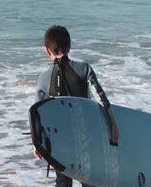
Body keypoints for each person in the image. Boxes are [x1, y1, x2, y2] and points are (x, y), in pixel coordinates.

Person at [33, 25, 120, 187]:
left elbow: (36, 113)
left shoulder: (44, 78)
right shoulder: (83, 69)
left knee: (63, 180)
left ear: (47, 50)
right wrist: (113, 125)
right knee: (89, 179)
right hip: (85, 136)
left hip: (59, 140)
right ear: (69, 47)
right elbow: (101, 99)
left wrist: (36, 142)